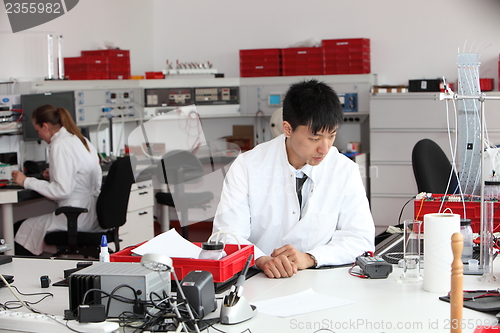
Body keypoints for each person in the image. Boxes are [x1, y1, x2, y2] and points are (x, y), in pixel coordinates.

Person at [212, 79, 375, 278]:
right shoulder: (246, 167)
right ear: (287, 129)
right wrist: (261, 259)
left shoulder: (344, 170)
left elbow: (360, 239)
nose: (325, 148)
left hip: (320, 279)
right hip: (261, 279)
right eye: (314, 138)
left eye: (331, 136)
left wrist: (311, 257)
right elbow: (227, 236)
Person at [11, 105, 103, 256]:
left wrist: (26, 181)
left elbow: (62, 191)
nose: (39, 135)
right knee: (28, 230)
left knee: (18, 231)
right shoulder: (80, 139)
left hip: (75, 216)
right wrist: (54, 175)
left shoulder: (59, 145)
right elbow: (88, 176)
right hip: (93, 214)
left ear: (45, 127)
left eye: (38, 130)